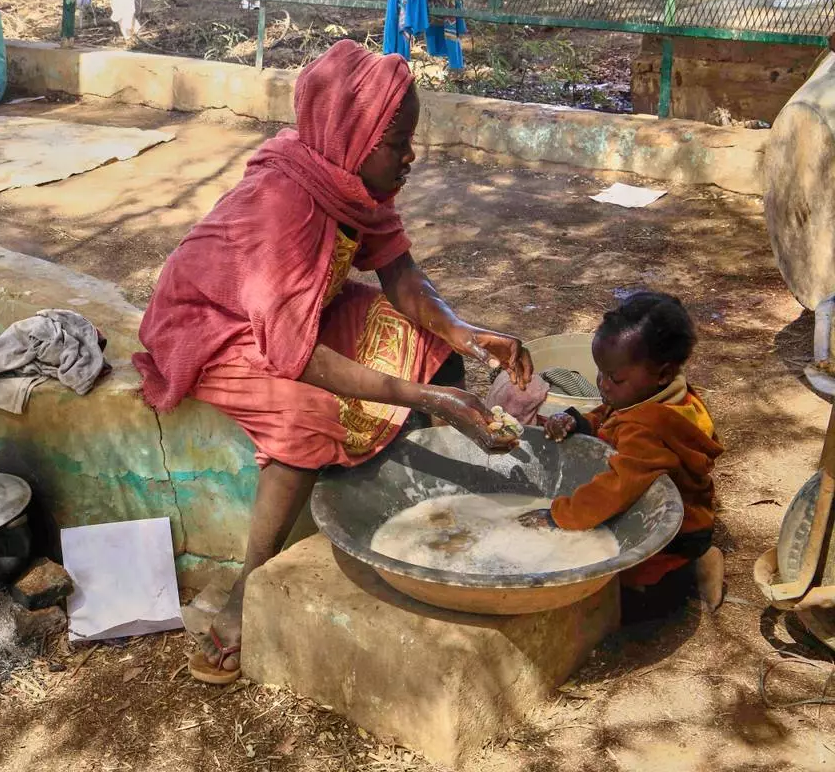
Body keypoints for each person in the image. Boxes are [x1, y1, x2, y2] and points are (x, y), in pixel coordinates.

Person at [133, 40, 533, 684]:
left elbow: (403, 277)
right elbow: (298, 358)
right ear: (353, 137)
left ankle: (430, 511)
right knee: (308, 415)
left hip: (300, 312)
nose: (409, 156)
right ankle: (248, 589)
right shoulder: (283, 205)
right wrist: (429, 399)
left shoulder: (353, 184)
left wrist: (468, 335)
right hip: (213, 327)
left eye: (409, 140)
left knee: (429, 346)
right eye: (396, 143)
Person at [520, 291, 725, 619]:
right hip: (683, 511)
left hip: (677, 532)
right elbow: (609, 417)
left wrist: (560, 516)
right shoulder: (661, 394)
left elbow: (616, 488)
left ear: (662, 373)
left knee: (624, 597)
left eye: (614, 378)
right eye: (600, 372)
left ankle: (696, 566)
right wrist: (577, 421)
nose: (602, 384)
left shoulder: (647, 430)